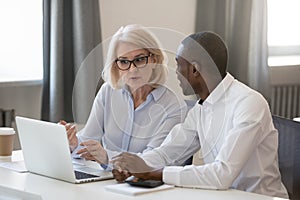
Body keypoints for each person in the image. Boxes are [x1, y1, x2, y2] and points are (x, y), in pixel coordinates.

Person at [111, 31, 289, 198]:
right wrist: (133, 165)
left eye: (179, 65)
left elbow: (222, 174)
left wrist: (153, 173)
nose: (177, 74)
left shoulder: (248, 103)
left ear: (194, 69)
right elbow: (167, 154)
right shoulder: (201, 108)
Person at [60, 24, 187, 168]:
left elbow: (153, 160)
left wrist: (107, 157)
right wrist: (73, 143)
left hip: (146, 186)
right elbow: (88, 139)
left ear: (154, 60)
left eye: (139, 60)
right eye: (124, 62)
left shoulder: (173, 106)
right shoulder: (108, 92)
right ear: (116, 65)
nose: (132, 69)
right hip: (107, 181)